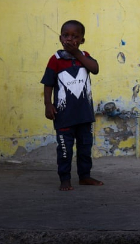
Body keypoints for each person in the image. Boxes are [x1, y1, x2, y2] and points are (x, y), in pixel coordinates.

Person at [41, 20, 103, 191]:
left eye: (75, 37)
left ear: (82, 40)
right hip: (63, 116)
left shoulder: (84, 56)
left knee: (85, 148)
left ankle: (84, 176)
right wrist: (48, 104)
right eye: (66, 35)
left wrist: (77, 54)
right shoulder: (55, 60)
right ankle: (65, 179)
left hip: (84, 115)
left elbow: (95, 68)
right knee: (65, 150)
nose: (70, 39)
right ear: (60, 38)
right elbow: (48, 84)